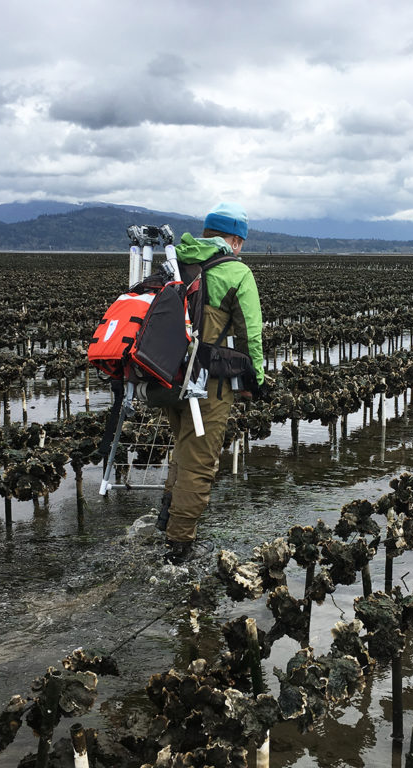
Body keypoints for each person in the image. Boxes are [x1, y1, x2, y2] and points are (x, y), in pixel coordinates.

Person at [158, 202, 265, 564]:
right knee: (201, 464)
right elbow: (251, 335)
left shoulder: (178, 261)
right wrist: (258, 380)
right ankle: (178, 548)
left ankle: (165, 520)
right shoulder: (236, 272)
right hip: (208, 385)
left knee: (184, 450)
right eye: (242, 242)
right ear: (235, 240)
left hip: (168, 378)